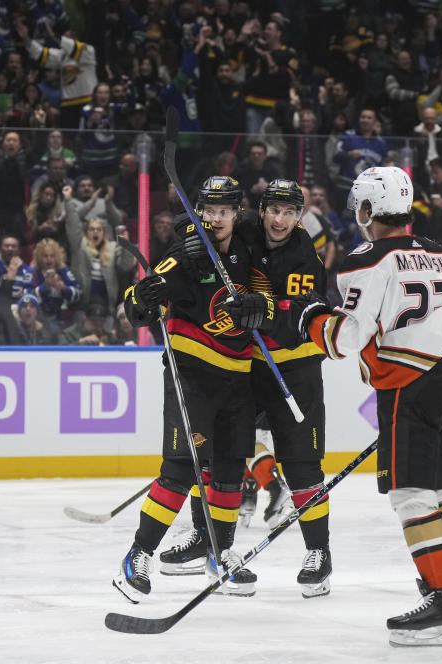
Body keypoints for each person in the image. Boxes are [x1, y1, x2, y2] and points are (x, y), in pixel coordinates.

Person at [267, 166, 442, 647]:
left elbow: (348, 338)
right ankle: (441, 587)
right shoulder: (440, 253)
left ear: (366, 210)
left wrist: (310, 318)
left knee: (411, 497)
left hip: (409, 385)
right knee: (436, 493)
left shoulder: (367, 258)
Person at [113, 176, 258, 602]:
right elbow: (136, 308)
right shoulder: (188, 253)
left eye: (224, 211)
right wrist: (145, 295)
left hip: (239, 378)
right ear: (200, 210)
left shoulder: (247, 249)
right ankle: (137, 555)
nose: (216, 218)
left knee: (230, 472)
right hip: (192, 375)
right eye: (208, 211)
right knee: (180, 469)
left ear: (238, 213)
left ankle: (220, 551)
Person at [217, 179, 333, 598]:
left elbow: (299, 318)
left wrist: (265, 309)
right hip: (247, 368)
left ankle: (319, 553)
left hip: (295, 369)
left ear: (299, 217)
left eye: (289, 212)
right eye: (274, 210)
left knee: (302, 465)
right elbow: (211, 223)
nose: (280, 220)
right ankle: (218, 549)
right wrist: (187, 229)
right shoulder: (244, 226)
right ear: (261, 210)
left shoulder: (304, 255)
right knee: (226, 456)